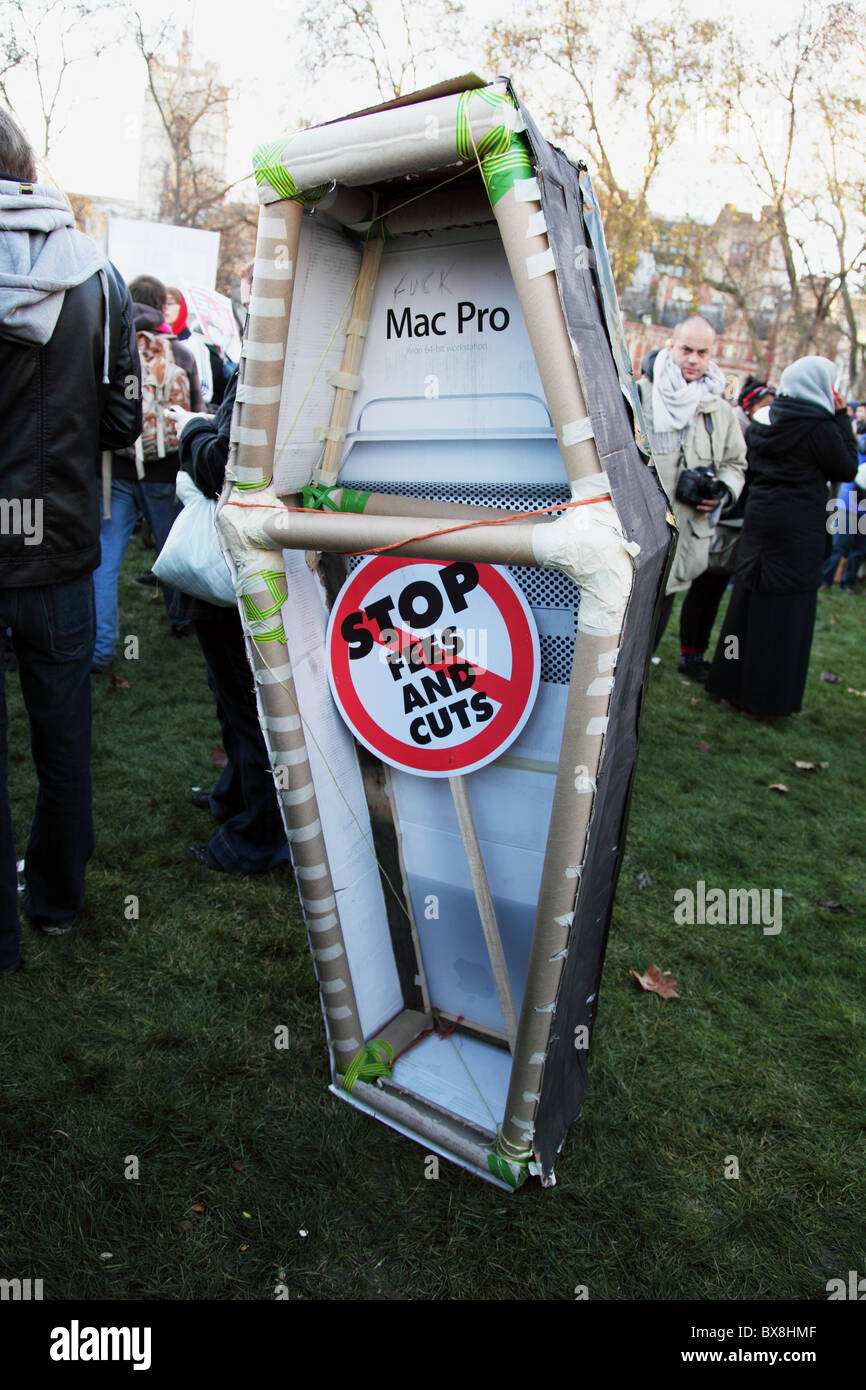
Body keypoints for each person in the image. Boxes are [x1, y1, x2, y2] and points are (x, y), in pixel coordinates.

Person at [0, 109, 141, 972]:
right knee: (63, 733)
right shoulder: (101, 277)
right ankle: (55, 900)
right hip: (57, 540)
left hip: (42, 540)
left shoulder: (101, 278)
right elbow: (125, 417)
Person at [168, 264, 289, 875]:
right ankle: (236, 800)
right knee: (234, 697)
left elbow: (230, 468)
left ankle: (259, 835)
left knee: (250, 705)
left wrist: (191, 433)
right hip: (258, 558)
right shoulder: (288, 355)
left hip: (248, 561)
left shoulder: (275, 365)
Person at [706, 356, 857, 718]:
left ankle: (728, 682)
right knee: (782, 615)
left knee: (745, 606)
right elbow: (846, 466)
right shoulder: (819, 426)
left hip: (760, 520)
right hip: (797, 530)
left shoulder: (766, 418)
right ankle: (762, 698)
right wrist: (841, 418)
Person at [91, 274, 204, 669]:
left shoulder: (113, 346)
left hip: (117, 468)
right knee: (172, 548)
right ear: (160, 305)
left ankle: (102, 649)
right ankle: (181, 620)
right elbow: (195, 414)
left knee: (106, 558)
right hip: (165, 471)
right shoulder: (182, 354)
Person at [638, 316, 747, 679]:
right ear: (671, 345)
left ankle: (635, 692)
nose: (694, 359)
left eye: (703, 352)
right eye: (687, 349)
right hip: (637, 529)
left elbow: (736, 463)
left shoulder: (720, 409)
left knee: (659, 612)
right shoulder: (639, 394)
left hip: (685, 534)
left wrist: (721, 492)